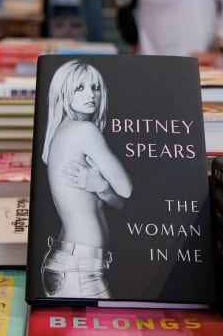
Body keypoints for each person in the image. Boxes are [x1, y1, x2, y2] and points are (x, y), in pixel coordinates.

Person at [39, 59, 133, 299]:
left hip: (71, 260)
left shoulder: (60, 132)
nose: (91, 94)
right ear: (63, 92)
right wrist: (103, 185)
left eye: (95, 87)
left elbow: (119, 201)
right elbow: (126, 190)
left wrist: (100, 186)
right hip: (78, 268)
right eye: (79, 88)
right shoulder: (85, 131)